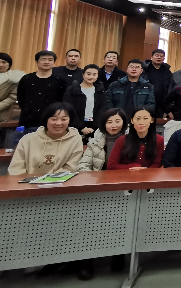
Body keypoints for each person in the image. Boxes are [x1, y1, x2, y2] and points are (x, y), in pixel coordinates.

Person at [75, 107, 129, 280]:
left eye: (117, 121)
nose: (114, 125)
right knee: (89, 224)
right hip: (98, 189)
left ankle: (118, 255)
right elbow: (83, 166)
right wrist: (98, 180)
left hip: (123, 190)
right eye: (109, 122)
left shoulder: (132, 141)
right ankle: (87, 261)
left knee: (121, 222)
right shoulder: (95, 142)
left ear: (124, 123)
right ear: (103, 124)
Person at [8, 102, 83, 175]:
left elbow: (71, 168)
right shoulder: (27, 140)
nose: (58, 123)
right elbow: (16, 169)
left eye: (63, 119)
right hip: (28, 181)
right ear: (46, 119)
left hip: (60, 181)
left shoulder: (75, 139)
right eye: (54, 119)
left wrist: (49, 180)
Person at [17, 50, 67, 130]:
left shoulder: (60, 80)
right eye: (43, 59)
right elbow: (21, 99)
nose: (47, 62)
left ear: (54, 63)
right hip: (28, 119)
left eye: (50, 60)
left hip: (52, 119)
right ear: (37, 62)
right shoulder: (26, 78)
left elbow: (62, 100)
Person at [63, 64, 106, 138]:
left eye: (94, 74)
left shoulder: (101, 91)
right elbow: (68, 108)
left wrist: (94, 126)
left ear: (97, 76)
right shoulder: (72, 89)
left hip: (94, 126)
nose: (91, 77)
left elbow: (103, 109)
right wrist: (81, 127)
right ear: (83, 74)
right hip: (75, 126)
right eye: (88, 74)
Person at [143, 49, 172, 115]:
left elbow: (170, 87)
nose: (159, 57)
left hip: (161, 103)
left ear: (164, 59)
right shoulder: (145, 70)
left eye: (161, 56)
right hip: (146, 101)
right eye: (157, 55)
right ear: (151, 57)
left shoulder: (167, 71)